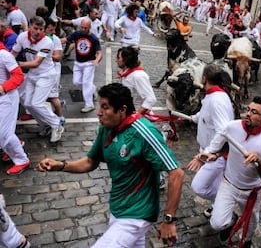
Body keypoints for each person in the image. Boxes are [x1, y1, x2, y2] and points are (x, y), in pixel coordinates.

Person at [37, 83, 184, 247]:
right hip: (117, 208)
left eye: (105, 107)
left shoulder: (144, 132)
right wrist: (61, 165)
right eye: (100, 106)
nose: (99, 112)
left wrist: (169, 220)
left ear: (122, 109)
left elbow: (176, 173)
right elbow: (90, 162)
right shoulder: (107, 128)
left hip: (137, 214)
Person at [199, 96, 261, 248]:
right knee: (216, 223)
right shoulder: (232, 127)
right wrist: (213, 154)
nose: (248, 114)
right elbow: (222, 146)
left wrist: (258, 161)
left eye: (254, 112)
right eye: (247, 110)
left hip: (252, 191)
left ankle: (246, 241)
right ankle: (231, 221)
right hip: (228, 184)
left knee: (251, 223)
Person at [187, 64, 235, 218]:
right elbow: (205, 113)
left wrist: (208, 152)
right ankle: (218, 206)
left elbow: (223, 130)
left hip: (215, 154)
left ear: (204, 78)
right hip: (208, 150)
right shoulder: (212, 95)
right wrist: (192, 118)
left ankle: (224, 203)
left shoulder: (217, 99)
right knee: (217, 183)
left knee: (199, 186)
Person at [11, 16, 64, 143]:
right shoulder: (22, 37)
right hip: (32, 75)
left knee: (36, 103)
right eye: (35, 28)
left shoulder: (47, 42)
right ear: (29, 27)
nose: (38, 31)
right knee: (28, 104)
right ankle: (45, 125)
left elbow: (36, 63)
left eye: (41, 29)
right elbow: (12, 53)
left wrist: (15, 64)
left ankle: (57, 124)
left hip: (46, 75)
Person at [0, 38, 31, 175]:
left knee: (3, 133)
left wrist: (3, 87)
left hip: (6, 98)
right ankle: (12, 146)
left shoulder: (4, 55)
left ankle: (21, 159)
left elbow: (18, 76)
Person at [62, 18, 102, 113]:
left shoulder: (94, 38)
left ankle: (89, 105)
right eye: (82, 27)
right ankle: (93, 89)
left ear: (89, 27)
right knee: (76, 82)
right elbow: (65, 40)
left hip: (89, 63)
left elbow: (99, 53)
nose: (83, 29)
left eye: (85, 28)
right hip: (78, 63)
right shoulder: (77, 34)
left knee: (86, 83)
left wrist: (96, 60)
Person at [116, 46, 156, 115]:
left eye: (118, 58)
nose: (116, 60)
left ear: (125, 60)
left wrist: (136, 115)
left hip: (138, 117)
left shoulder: (138, 76)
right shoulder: (127, 73)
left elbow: (151, 99)